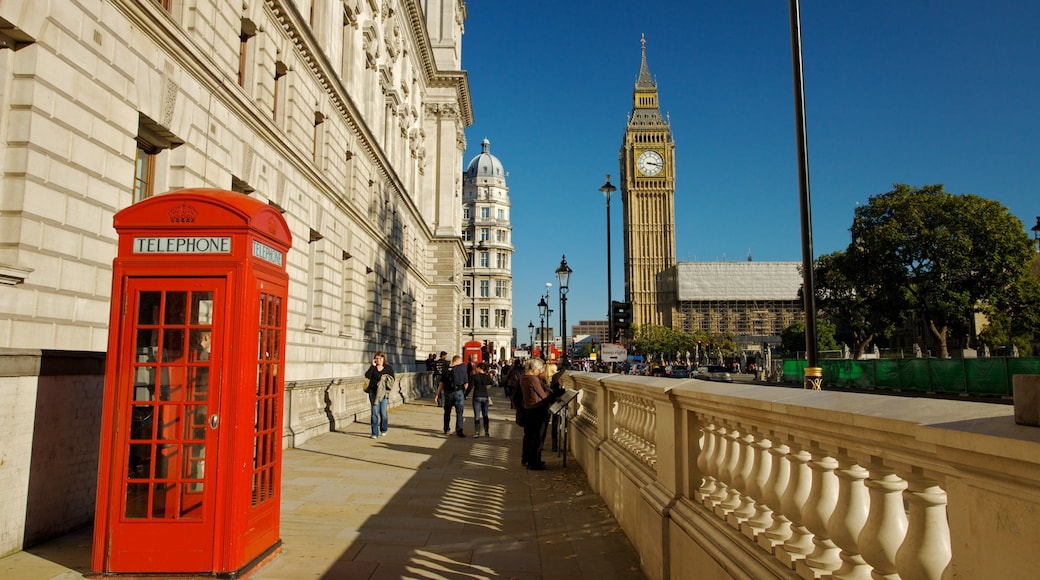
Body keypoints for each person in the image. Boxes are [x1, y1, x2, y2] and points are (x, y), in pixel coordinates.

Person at [519, 357, 551, 470]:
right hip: (537, 409)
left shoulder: (523, 377)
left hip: (528, 409)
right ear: (534, 369)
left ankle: (527, 459)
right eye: (539, 369)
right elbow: (543, 396)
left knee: (529, 436)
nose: (541, 371)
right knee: (537, 437)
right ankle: (534, 462)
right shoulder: (533, 379)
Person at [434, 355, 468, 436]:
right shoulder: (462, 369)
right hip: (459, 392)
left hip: (448, 393)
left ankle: (446, 429)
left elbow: (441, 384)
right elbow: (466, 383)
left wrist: (437, 395)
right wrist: (465, 393)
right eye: (461, 361)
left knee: (447, 412)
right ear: (457, 361)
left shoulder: (446, 370)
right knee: (459, 413)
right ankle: (459, 430)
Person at [364, 351, 395, 439]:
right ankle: (374, 433)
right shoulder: (373, 368)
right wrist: (372, 366)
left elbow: (392, 380)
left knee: (383, 413)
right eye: (377, 358)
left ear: (383, 359)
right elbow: (367, 376)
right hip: (373, 393)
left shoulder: (388, 368)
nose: (379, 360)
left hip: (384, 394)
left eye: (380, 358)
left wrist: (385, 379)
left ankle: (383, 429)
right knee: (374, 412)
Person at [467, 362, 494, 437]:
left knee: (477, 415)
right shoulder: (486, 376)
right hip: (485, 396)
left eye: (476, 368)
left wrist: (465, 394)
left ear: (479, 368)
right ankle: (486, 431)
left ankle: (477, 432)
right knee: (485, 414)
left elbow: (470, 387)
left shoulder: (474, 376)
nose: (475, 369)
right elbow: (492, 382)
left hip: (477, 396)